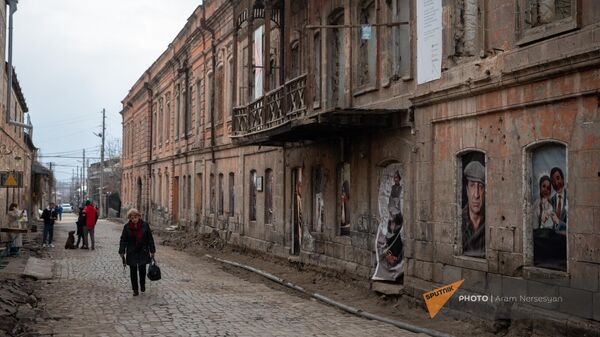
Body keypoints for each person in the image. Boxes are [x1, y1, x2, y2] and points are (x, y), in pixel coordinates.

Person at [119, 208, 156, 296]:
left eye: (135, 217)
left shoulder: (145, 225)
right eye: (132, 218)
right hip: (132, 251)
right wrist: (122, 251)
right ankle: (135, 289)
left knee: (142, 270)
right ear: (129, 219)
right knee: (133, 271)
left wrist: (152, 250)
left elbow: (150, 238)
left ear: (139, 216)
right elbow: (123, 240)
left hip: (143, 250)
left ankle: (142, 285)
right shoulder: (127, 227)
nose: (134, 219)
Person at [462, 161, 485, 258]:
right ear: (467, 190)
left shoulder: (491, 222)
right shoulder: (458, 221)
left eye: (480, 186)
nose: (476, 195)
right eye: (472, 186)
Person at [373, 212, 404, 281]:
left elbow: (396, 256)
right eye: (391, 223)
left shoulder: (398, 238)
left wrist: (392, 257)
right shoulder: (387, 234)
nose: (393, 226)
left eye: (395, 223)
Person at [549, 167, 567, 232]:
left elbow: (573, 227)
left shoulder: (569, 198)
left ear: (563, 179)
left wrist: (558, 222)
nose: (556, 183)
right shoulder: (551, 200)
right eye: (553, 181)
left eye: (558, 178)